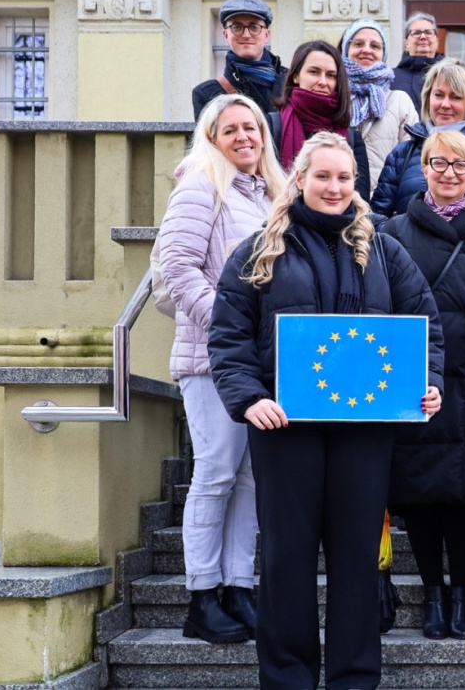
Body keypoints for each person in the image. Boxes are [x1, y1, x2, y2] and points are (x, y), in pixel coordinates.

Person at [208, 132, 445, 689]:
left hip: (365, 432)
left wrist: (426, 385)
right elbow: (229, 335)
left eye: (344, 178)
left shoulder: (386, 250)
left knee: (358, 562)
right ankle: (287, 679)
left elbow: (425, 327)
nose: (334, 186)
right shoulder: (260, 248)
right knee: (287, 560)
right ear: (300, 179)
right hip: (285, 429)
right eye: (323, 176)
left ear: (355, 184)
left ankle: (353, 679)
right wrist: (249, 399)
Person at [158, 93, 286, 644]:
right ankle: (201, 597)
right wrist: (231, 324)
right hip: (211, 360)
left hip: (256, 363)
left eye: (252, 127)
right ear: (211, 138)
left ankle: (239, 588)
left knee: (250, 478)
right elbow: (177, 269)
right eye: (230, 129)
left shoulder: (270, 194)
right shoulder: (200, 186)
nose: (244, 137)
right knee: (214, 473)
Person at [380, 130, 465, 641]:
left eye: (461, 165)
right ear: (423, 168)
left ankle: (462, 592)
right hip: (416, 381)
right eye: (439, 163)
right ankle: (433, 592)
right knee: (418, 491)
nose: (450, 173)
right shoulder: (392, 230)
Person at [372, 58, 465, 236]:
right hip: (406, 260)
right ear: (427, 98)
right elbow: (379, 214)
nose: (445, 104)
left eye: (456, 97)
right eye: (439, 95)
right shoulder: (402, 153)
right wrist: (400, 247)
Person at [273, 39, 370, 198]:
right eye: (314, 72)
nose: (323, 82)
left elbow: (359, 202)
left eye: (331, 75)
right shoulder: (272, 127)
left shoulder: (353, 140)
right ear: (296, 76)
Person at [339, 18, 420, 194]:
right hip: (335, 203)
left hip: (385, 208)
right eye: (358, 43)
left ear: (383, 54)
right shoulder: (334, 97)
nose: (366, 50)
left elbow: (411, 162)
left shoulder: (400, 102)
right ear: (346, 50)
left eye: (375, 46)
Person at [193, 0, 286, 120]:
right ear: (226, 35)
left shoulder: (293, 83)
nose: (246, 35)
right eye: (237, 27)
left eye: (254, 27)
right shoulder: (206, 94)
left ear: (266, 35)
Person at [393, 11, 445, 105]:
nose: (423, 37)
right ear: (406, 43)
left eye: (428, 33)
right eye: (416, 33)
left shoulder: (450, 75)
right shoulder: (391, 78)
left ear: (437, 42)